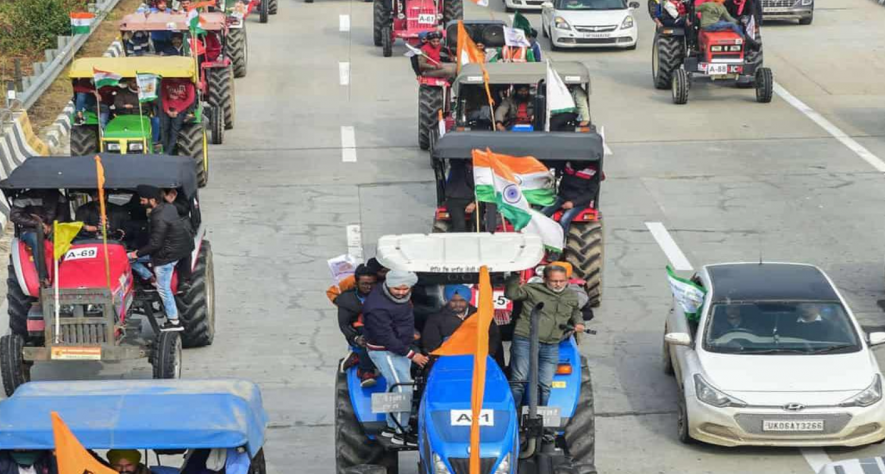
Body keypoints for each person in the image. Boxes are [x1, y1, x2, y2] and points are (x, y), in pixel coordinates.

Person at [362, 269, 429, 444]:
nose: (401, 292)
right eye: (397, 289)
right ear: (388, 285)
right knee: (402, 388)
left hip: (398, 348)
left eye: (405, 289)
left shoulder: (394, 296)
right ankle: (401, 433)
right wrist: (412, 355)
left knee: (393, 385)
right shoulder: (376, 306)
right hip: (386, 350)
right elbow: (386, 338)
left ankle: (391, 427)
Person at [505, 264, 584, 406]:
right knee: (519, 380)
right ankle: (514, 416)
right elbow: (511, 294)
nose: (558, 284)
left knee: (545, 384)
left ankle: (539, 420)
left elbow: (575, 311)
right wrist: (514, 276)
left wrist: (579, 322)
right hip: (526, 340)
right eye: (554, 281)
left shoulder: (570, 295)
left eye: (562, 280)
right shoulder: (532, 290)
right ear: (544, 279)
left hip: (552, 344)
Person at [126, 185, 194, 332]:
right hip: (180, 249)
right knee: (131, 260)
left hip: (166, 256)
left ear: (152, 200)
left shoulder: (158, 217)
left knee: (164, 289)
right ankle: (150, 277)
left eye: (143, 200)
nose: (141, 202)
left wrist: (135, 253)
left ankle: (174, 321)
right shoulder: (168, 207)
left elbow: (155, 244)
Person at [422, 284, 504, 366]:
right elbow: (431, 344)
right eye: (453, 301)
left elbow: (494, 337)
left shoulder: (481, 315)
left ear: (468, 300)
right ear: (447, 300)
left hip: (479, 360)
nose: (458, 304)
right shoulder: (436, 318)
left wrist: (487, 355)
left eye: (462, 300)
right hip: (449, 362)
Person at [337, 264, 380, 387]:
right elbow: (344, 324)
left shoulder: (382, 295)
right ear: (356, 283)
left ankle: (357, 356)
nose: (368, 287)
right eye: (364, 284)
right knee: (366, 336)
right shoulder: (346, 299)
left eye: (372, 284)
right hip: (358, 332)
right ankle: (365, 371)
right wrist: (355, 338)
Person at [541, 161, 600, 231]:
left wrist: (573, 203)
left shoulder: (593, 171)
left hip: (579, 202)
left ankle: (561, 240)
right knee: (542, 214)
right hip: (563, 196)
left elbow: (590, 194)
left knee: (564, 219)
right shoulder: (568, 164)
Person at [10, 189, 68, 255]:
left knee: (68, 239)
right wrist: (38, 224)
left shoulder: (58, 195)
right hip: (30, 230)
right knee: (37, 241)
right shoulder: (25, 196)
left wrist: (52, 225)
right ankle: (40, 265)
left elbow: (63, 214)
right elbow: (14, 216)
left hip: (54, 227)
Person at [159, 78, 195, 154]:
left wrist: (177, 110)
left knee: (174, 130)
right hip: (168, 108)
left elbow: (190, 99)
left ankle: (169, 152)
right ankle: (165, 149)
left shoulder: (188, 83)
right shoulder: (165, 81)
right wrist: (167, 110)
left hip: (181, 108)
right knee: (164, 128)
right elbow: (163, 97)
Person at [444, 161, 476, 232]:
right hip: (455, 200)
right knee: (460, 225)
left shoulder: (474, 169)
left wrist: (474, 202)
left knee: (478, 221)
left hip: (471, 199)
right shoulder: (457, 168)